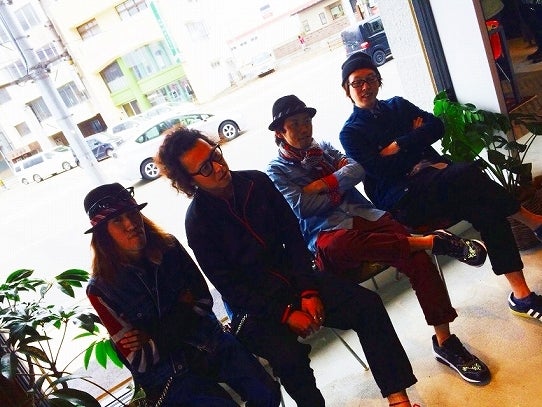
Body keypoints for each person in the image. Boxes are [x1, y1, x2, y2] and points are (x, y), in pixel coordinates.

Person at [156, 127, 420, 407]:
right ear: (189, 181)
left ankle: (398, 399)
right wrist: (285, 314)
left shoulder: (256, 182)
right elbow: (230, 287)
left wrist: (308, 291)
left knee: (367, 306)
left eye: (215, 155)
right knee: (289, 359)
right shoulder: (197, 222)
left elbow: (293, 237)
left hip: (294, 279)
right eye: (205, 168)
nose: (219, 167)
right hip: (253, 307)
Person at [266, 94, 491, 385]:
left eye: (306, 121)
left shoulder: (325, 149)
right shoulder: (276, 170)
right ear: (279, 132)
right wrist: (338, 185)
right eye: (294, 124)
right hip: (327, 235)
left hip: (365, 215)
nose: (304, 128)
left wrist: (322, 185)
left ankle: (445, 342)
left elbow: (358, 169)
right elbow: (302, 207)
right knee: (342, 245)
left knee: (416, 259)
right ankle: (429, 240)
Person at [338, 51, 542, 323]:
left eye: (371, 79)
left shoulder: (398, 105)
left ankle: (522, 296)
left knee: (487, 211)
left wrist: (398, 144)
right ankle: (531, 220)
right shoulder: (350, 133)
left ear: (379, 80)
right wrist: (415, 139)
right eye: (357, 82)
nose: (365, 86)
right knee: (466, 171)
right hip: (407, 199)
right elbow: (382, 170)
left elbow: (437, 127)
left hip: (443, 183)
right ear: (347, 89)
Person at [83, 182, 281, 407]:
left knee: (267, 392)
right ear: (103, 233)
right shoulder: (100, 289)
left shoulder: (168, 246)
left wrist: (152, 332)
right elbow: (141, 359)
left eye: (132, 213)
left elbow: (204, 300)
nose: (130, 224)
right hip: (167, 373)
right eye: (117, 220)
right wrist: (183, 308)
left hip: (208, 340)